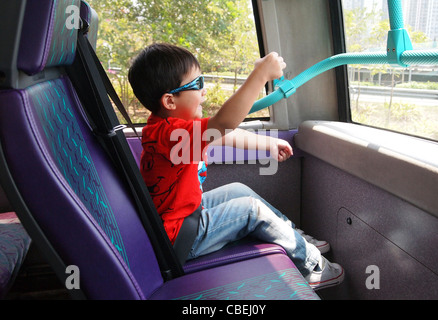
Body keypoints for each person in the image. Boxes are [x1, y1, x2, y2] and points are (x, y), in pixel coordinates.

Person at [128, 42, 344, 290]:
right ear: (169, 101)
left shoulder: (176, 128)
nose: (204, 92)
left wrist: (267, 144)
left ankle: (293, 236)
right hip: (179, 238)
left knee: (238, 190)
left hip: (182, 214)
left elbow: (227, 133)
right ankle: (313, 266)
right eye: (197, 85)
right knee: (251, 210)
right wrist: (260, 75)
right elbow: (225, 123)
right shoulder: (170, 135)